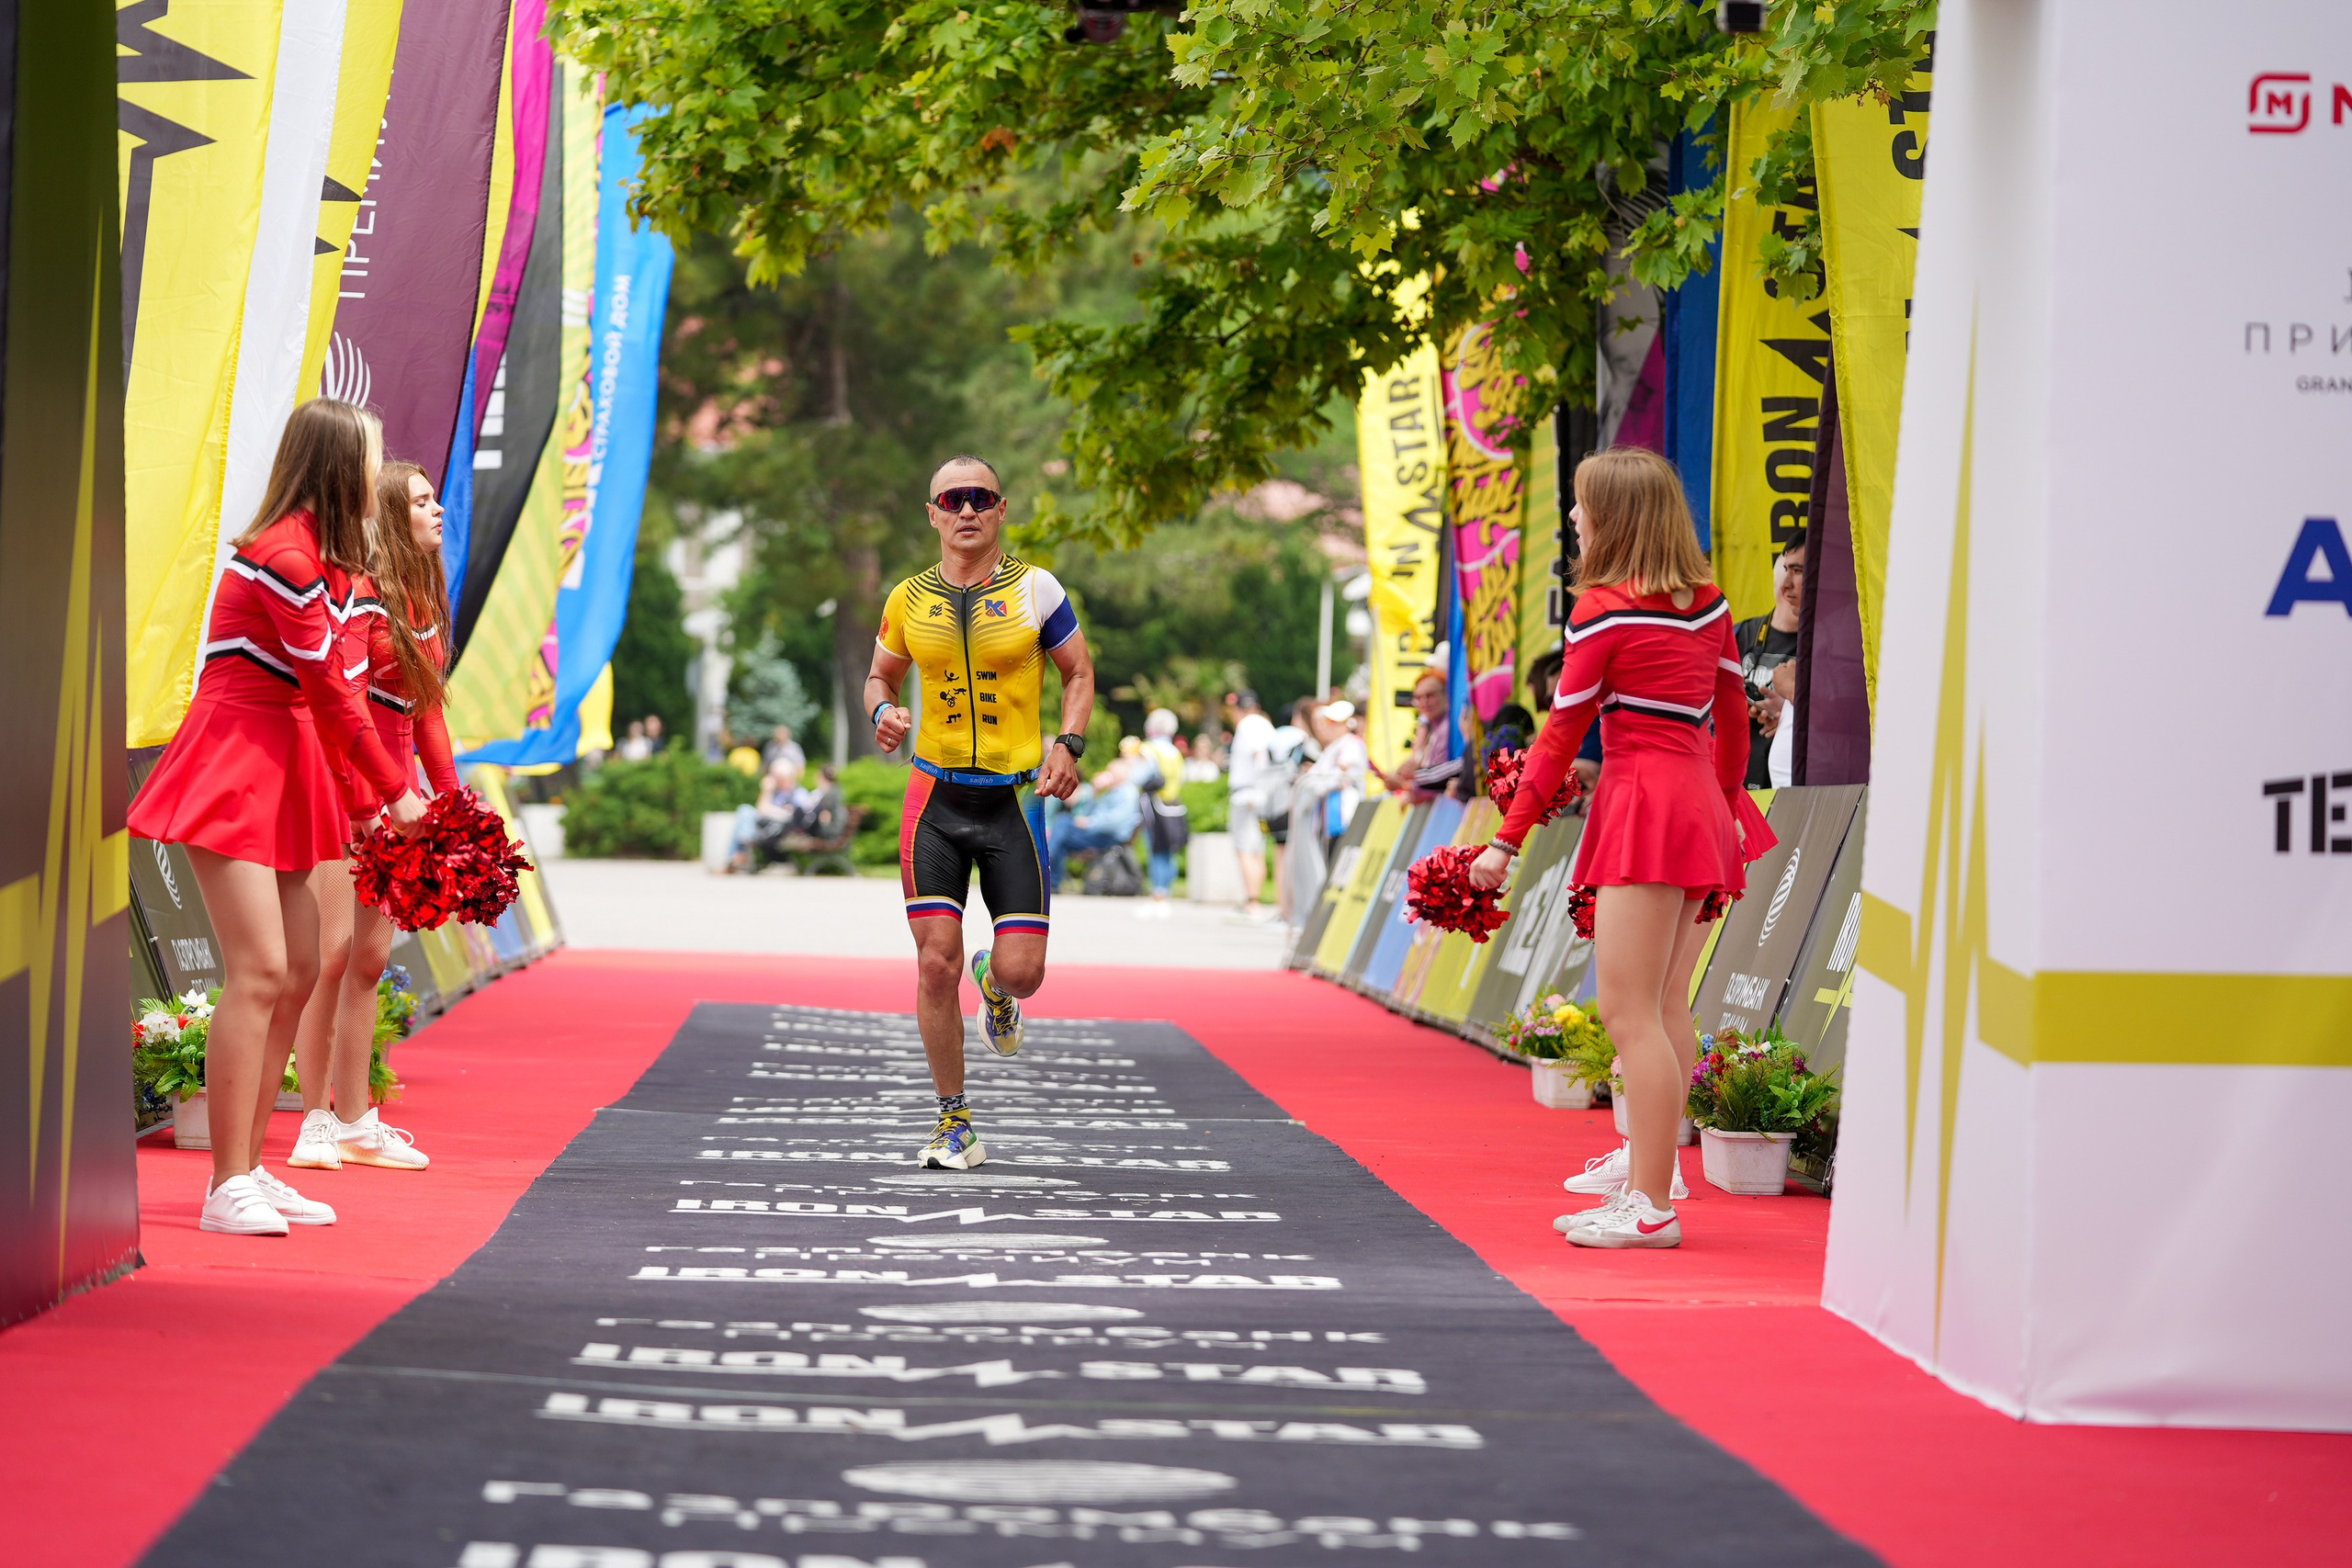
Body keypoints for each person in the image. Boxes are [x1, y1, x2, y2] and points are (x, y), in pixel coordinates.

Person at [127, 399, 426, 1235]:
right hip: (234, 759)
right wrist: (392, 793)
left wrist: (364, 800)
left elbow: (350, 695)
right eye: (371, 456)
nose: (379, 472)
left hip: (290, 765)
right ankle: (226, 1182)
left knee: (300, 968)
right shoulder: (284, 556)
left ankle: (252, 1165)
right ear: (337, 465)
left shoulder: (338, 569)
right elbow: (332, 692)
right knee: (261, 969)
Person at [1470, 446, 1775, 1251]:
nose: (1574, 516)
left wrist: (1505, 840)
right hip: (1699, 802)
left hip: (1644, 804)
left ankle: (1650, 1203)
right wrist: (1724, 804)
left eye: (1582, 504)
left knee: (1630, 1012)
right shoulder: (1708, 604)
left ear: (1614, 516)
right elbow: (1732, 720)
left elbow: (1559, 735)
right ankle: (1653, 1180)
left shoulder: (1602, 611)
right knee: (1665, 1005)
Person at [864, 454, 1093, 1170]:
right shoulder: (908, 598)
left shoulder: (1037, 589)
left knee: (1025, 973)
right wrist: (882, 712)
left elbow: (1078, 672)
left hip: (1014, 801)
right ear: (932, 514)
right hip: (934, 799)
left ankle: (996, 984)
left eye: (981, 498)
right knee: (936, 961)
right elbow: (879, 676)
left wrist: (1069, 743)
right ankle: (954, 1120)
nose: (967, 510)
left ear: (1000, 510)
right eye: (952, 499)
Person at [287, 458, 458, 1176]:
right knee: (329, 955)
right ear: (391, 514)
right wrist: (369, 802)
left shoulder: (424, 596)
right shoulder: (363, 595)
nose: (436, 509)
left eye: (434, 498)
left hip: (398, 801)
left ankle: (357, 1120)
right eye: (420, 501)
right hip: (345, 792)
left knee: (369, 961)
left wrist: (449, 801)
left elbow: (427, 710)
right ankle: (313, 1121)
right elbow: (344, 706)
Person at [1732, 535, 1805, 787]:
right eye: (1786, 571)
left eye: (1798, 572)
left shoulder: (1831, 643)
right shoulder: (1741, 633)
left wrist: (1791, 709)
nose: (1787, 585)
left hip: (1794, 789)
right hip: (1740, 779)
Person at [1048, 757, 1142, 892]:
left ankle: (1046, 859)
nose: (1108, 774)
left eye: (1111, 771)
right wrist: (1096, 791)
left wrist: (1090, 823)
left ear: (1121, 773)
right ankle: (1053, 884)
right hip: (1098, 833)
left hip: (1110, 837)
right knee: (1062, 836)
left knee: (1063, 822)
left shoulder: (1128, 792)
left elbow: (1115, 821)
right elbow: (1088, 812)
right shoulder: (1111, 791)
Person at [1368, 668, 1460, 802]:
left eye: (1430, 695)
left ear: (1446, 694)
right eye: (1418, 698)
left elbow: (1441, 777)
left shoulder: (1448, 727)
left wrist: (1406, 784)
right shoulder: (1430, 728)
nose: (1424, 702)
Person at [1223, 691, 1276, 919]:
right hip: (1260, 794)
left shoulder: (1248, 725)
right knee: (1257, 849)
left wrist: (1257, 787)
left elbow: (1259, 754)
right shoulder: (1265, 724)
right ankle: (1254, 899)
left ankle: (1252, 902)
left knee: (1245, 849)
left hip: (1248, 794)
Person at [1132, 708, 1190, 919]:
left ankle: (1157, 897)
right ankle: (1165, 894)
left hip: (1154, 804)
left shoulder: (1148, 749)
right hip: (1173, 805)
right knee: (1168, 851)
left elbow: (1137, 777)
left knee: (1155, 849)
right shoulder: (1175, 752)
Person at [727, 758, 802, 873]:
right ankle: (742, 847)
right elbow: (761, 809)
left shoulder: (798, 793)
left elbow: (797, 816)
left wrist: (774, 810)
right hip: (765, 825)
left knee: (746, 815)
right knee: (745, 810)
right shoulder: (775, 792)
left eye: (778, 778)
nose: (775, 781)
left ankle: (739, 852)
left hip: (778, 830)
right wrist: (767, 791)